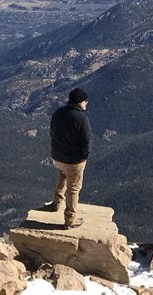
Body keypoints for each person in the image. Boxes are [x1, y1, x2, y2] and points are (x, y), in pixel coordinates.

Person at [47, 87, 93, 229]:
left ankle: (56, 203)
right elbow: (87, 141)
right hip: (74, 160)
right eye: (85, 101)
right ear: (80, 102)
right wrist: (84, 157)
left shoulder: (58, 113)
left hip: (58, 157)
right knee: (73, 188)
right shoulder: (81, 118)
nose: (86, 103)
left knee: (62, 175)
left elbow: (52, 132)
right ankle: (70, 220)